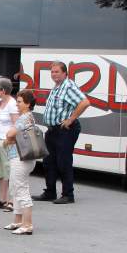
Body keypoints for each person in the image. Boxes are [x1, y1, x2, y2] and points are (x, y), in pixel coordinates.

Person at [33, 61, 90, 204]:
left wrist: (71, 119)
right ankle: (50, 192)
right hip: (52, 130)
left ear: (65, 73)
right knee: (48, 162)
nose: (54, 74)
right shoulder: (57, 87)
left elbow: (85, 102)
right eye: (52, 72)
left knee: (63, 161)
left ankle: (68, 194)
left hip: (65, 130)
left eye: (57, 71)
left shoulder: (68, 86)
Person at [5, 90, 37, 235]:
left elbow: (10, 134)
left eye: (19, 102)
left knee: (21, 189)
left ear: (28, 104)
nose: (17, 104)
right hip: (23, 158)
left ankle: (27, 224)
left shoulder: (23, 118)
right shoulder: (29, 117)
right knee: (16, 188)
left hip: (20, 158)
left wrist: (8, 138)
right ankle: (18, 221)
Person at [0, 77, 18, 211]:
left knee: (9, 170)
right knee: (0, 170)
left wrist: (9, 139)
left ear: (3, 91)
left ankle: (11, 200)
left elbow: (16, 124)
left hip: (5, 140)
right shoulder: (1, 101)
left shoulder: (12, 103)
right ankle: (2, 199)